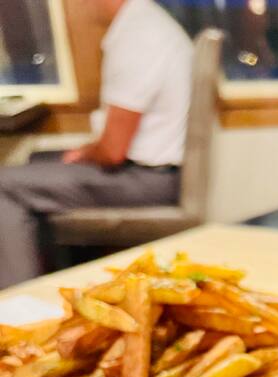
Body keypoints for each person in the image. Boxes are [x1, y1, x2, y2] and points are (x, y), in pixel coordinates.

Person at [0, 0, 193, 289]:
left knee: (4, 184)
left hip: (150, 178)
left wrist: (84, 153)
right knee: (38, 160)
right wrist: (84, 152)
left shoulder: (140, 33)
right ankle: (55, 283)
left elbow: (112, 151)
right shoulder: (147, 22)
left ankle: (18, 298)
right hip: (153, 172)